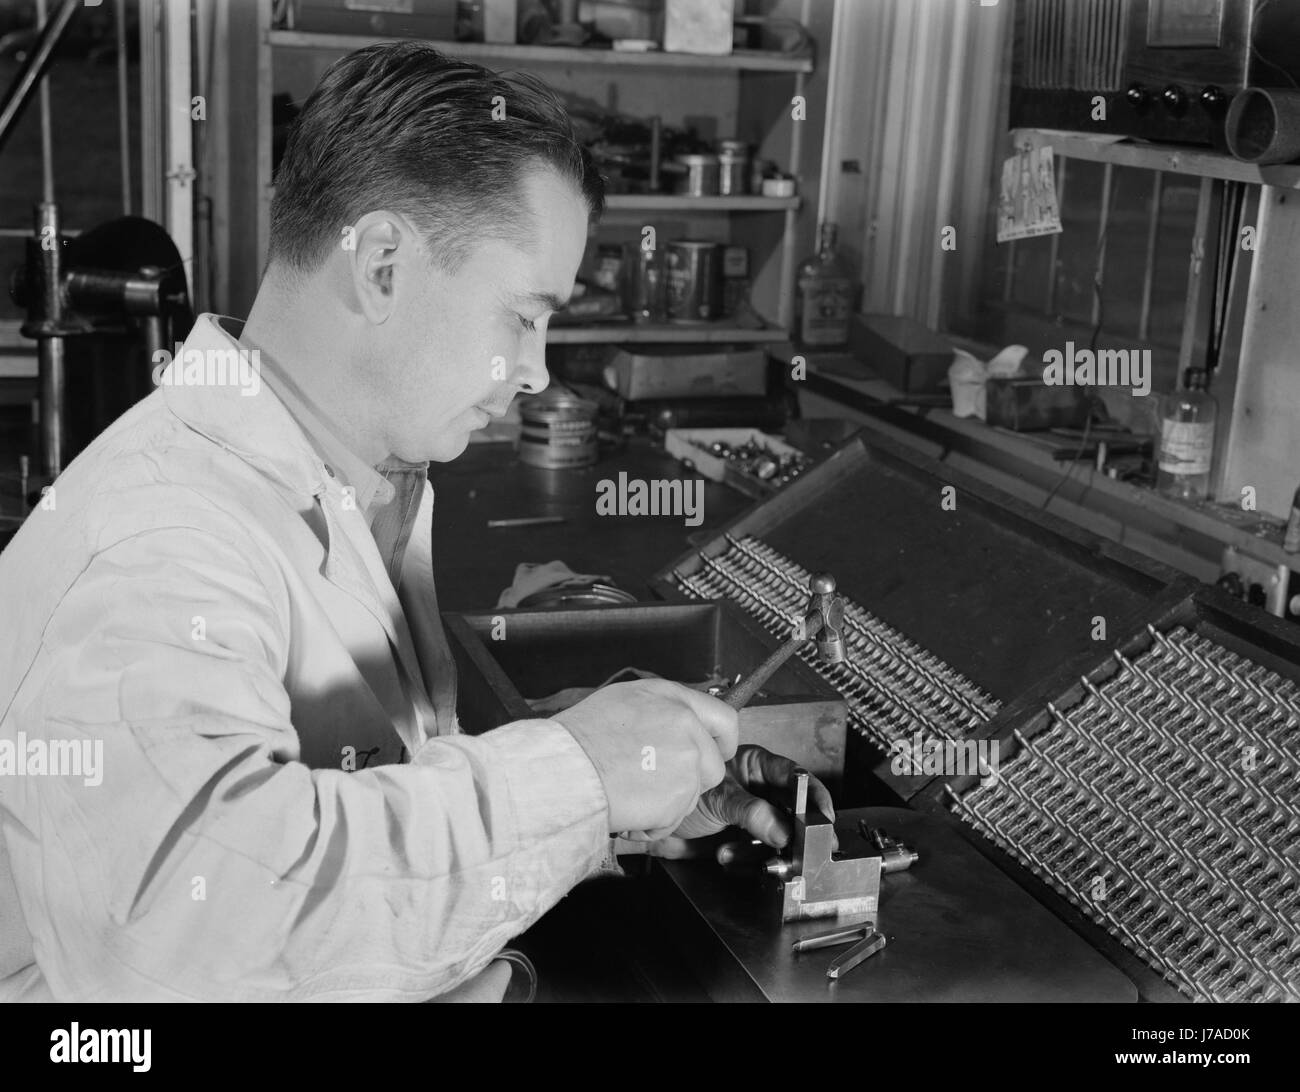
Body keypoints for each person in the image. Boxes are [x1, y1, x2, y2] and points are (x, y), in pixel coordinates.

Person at [0, 41, 831, 1002]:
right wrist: (576, 775)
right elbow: (194, 946)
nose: (536, 372)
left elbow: (342, 790)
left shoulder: (354, 477)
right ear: (384, 265)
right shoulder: (159, 542)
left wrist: (603, 807)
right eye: (523, 316)